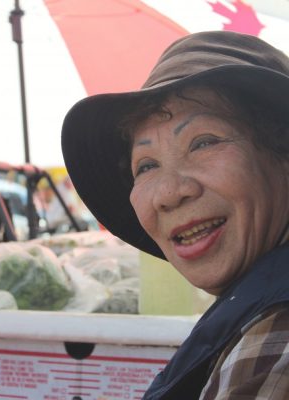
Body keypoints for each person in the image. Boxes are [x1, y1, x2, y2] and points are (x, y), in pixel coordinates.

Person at [61, 31, 289, 399]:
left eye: (203, 143)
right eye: (146, 166)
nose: (168, 194)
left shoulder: (277, 338)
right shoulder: (255, 310)